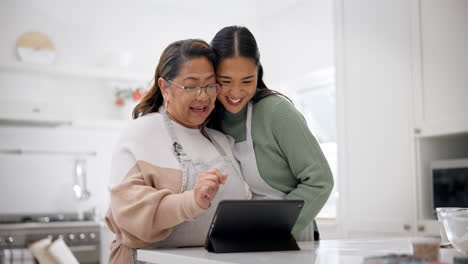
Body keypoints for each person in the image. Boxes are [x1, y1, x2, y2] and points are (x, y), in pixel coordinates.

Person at [105, 39, 251, 263]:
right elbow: (128, 212)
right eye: (191, 86)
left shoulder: (221, 141)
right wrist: (191, 201)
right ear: (165, 87)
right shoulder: (142, 133)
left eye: (210, 85)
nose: (203, 96)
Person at [209, 26, 334, 241]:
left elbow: (320, 181)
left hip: (286, 237)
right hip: (236, 239)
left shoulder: (276, 112)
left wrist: (270, 231)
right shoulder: (210, 118)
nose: (236, 92)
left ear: (258, 72)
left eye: (247, 81)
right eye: (225, 82)